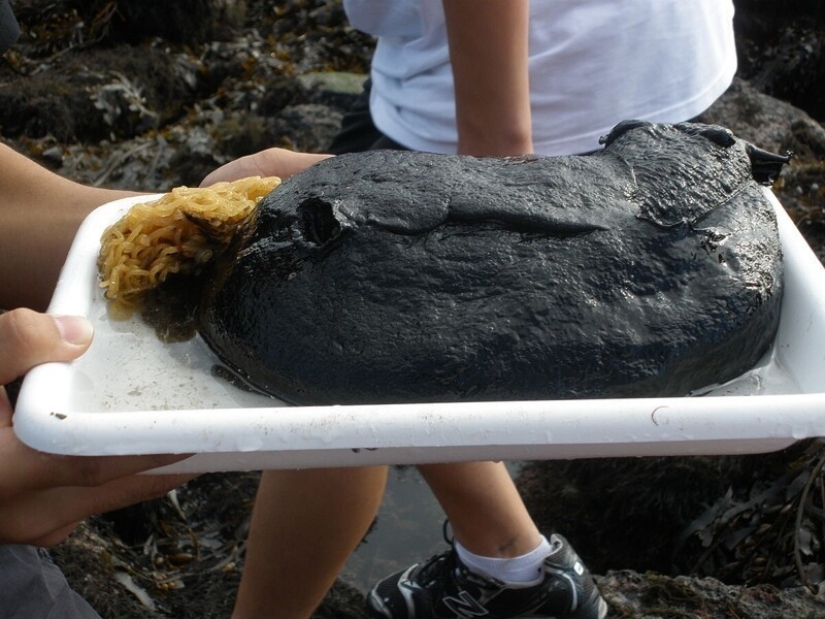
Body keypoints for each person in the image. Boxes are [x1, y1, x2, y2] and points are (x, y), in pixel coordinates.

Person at [210, 1, 737, 618]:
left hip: (529, 129)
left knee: (324, 358)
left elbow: (499, 149)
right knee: (369, 355)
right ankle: (515, 564)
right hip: (657, 88)